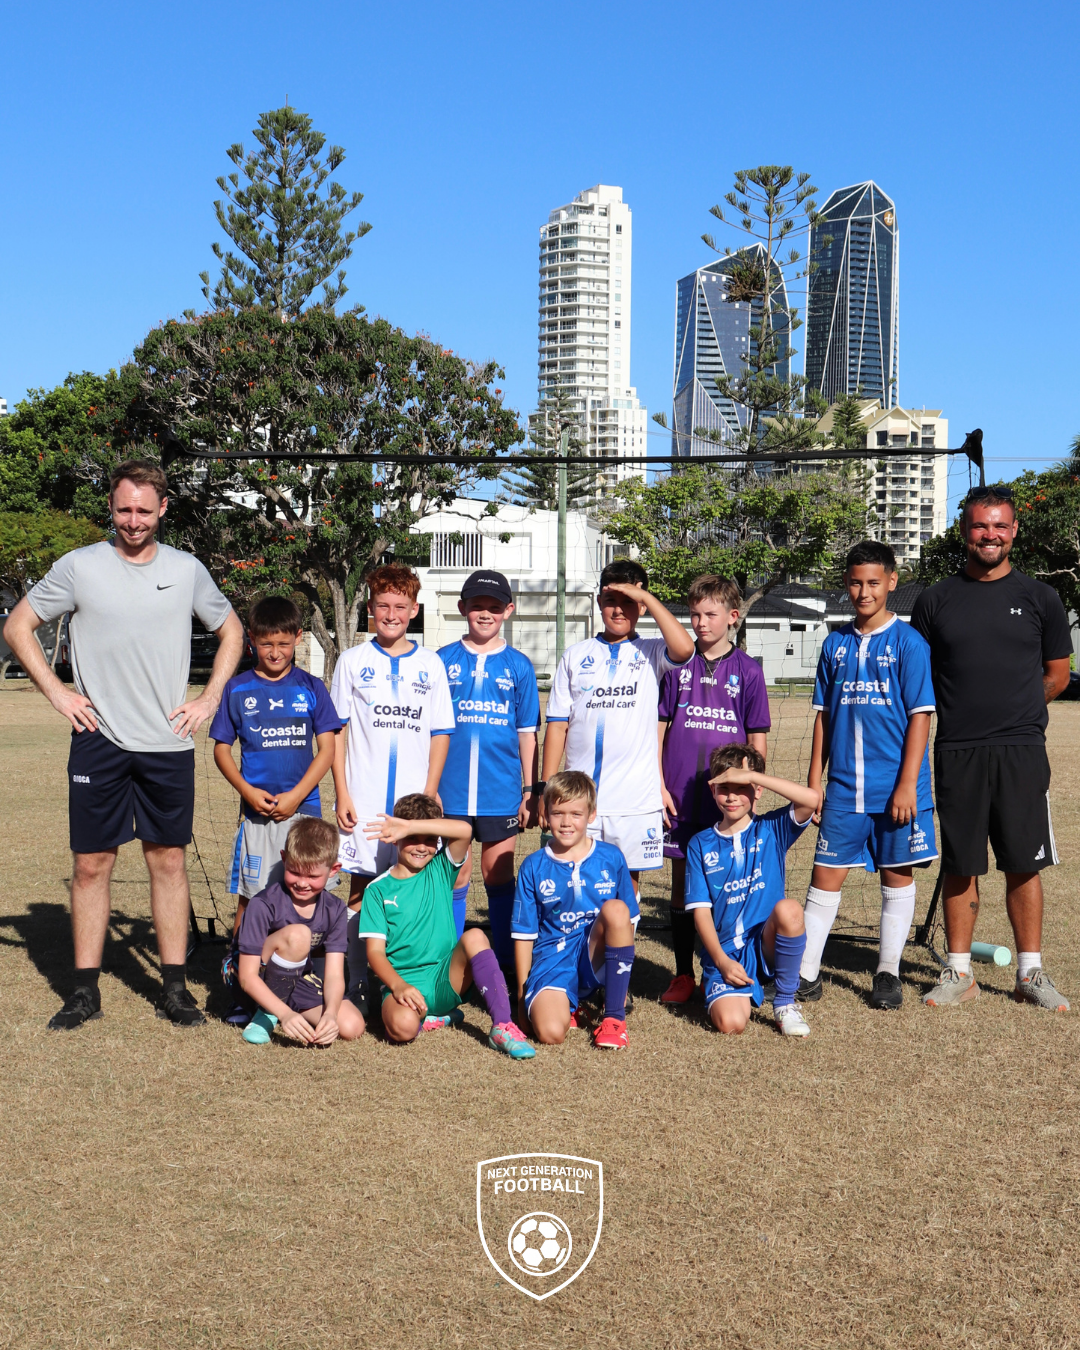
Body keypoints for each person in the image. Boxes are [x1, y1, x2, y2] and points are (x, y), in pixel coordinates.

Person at [3, 459, 244, 1030]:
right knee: (91, 865)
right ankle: (84, 992)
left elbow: (231, 630)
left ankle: (176, 989)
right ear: (110, 508)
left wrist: (208, 700)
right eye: (123, 509)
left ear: (162, 509)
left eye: (144, 509)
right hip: (98, 741)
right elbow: (17, 626)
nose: (133, 520)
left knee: (167, 860)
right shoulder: (79, 567)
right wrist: (59, 693)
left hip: (166, 743)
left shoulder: (186, 570)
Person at [911, 485, 1073, 1010]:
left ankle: (1030, 973)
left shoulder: (1042, 597)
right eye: (981, 526)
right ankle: (960, 972)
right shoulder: (935, 600)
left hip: (1022, 749)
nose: (991, 535)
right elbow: (921, 679)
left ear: (1014, 532)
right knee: (961, 862)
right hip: (958, 748)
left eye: (1000, 525)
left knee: (1024, 862)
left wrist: (1020, 709)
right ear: (964, 531)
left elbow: (1056, 674)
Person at [798, 541, 938, 1010]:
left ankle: (887, 973)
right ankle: (806, 973)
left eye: (873, 582)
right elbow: (823, 718)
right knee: (824, 878)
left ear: (892, 582)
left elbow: (921, 715)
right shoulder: (834, 643)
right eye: (856, 582)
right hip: (843, 790)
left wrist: (905, 785)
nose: (864, 591)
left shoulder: (909, 643)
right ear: (846, 584)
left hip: (898, 789)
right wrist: (813, 783)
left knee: (895, 877)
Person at [209, 595, 341, 1022]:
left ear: (297, 639)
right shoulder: (238, 687)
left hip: (303, 813)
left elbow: (327, 750)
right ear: (252, 641)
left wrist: (297, 795)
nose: (275, 652)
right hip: (257, 816)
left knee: (308, 897)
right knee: (252, 898)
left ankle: (309, 981)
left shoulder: (310, 687)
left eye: (284, 643)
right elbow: (222, 750)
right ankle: (239, 987)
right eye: (266, 643)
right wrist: (248, 791)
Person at [331, 564, 455, 1010]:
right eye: (382, 605)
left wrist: (430, 792)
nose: (391, 613)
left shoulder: (430, 664)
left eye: (400, 606)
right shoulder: (352, 662)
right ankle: (355, 983)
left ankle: (411, 977)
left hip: (412, 806)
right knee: (362, 890)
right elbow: (336, 732)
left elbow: (441, 731)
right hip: (362, 799)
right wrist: (343, 793)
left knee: (413, 888)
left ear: (414, 610)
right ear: (369, 608)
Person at [541, 559, 695, 895]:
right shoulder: (575, 655)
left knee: (625, 886)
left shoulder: (652, 651)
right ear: (598, 602)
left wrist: (645, 597)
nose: (619, 609)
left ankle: (618, 947)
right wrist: (544, 787)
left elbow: (685, 648)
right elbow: (556, 726)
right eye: (611, 600)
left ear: (641, 605)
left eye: (628, 602)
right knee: (573, 881)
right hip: (578, 798)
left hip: (635, 799)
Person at [656, 574, 771, 1005]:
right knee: (683, 880)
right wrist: (658, 782)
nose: (700, 622)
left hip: (729, 797)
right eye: (695, 613)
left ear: (732, 617)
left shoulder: (750, 670)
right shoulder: (676, 664)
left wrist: (755, 783)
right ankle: (684, 973)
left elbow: (757, 735)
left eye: (710, 614)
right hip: (680, 794)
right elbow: (660, 726)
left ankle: (724, 965)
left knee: (730, 880)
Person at [356, 795, 534, 1058]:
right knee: (402, 1029)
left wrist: (412, 827)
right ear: (396, 838)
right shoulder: (377, 890)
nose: (421, 847)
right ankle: (430, 1019)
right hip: (406, 984)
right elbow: (375, 953)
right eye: (412, 838)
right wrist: (398, 986)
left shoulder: (440, 868)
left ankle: (502, 1026)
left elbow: (465, 831)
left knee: (475, 936)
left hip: (446, 978)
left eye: (429, 839)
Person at [437, 569, 541, 960]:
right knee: (455, 875)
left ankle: (501, 961)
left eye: (494, 608)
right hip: (451, 791)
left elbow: (527, 733)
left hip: (501, 790)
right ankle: (446, 960)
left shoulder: (519, 665)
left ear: (508, 611)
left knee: (497, 875)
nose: (485, 614)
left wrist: (530, 791)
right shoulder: (442, 660)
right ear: (463, 608)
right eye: (477, 606)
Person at [684, 744, 819, 1038]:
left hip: (764, 944)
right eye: (724, 787)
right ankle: (721, 983)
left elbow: (812, 798)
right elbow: (701, 912)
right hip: (726, 953)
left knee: (790, 910)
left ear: (756, 790)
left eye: (741, 786)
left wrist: (753, 776)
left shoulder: (772, 829)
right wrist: (720, 960)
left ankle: (784, 1002)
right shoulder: (700, 844)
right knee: (732, 1024)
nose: (731, 796)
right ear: (713, 791)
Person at [512, 771, 639, 1050]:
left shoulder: (611, 857)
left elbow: (627, 923)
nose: (566, 822)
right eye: (557, 813)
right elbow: (523, 935)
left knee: (617, 910)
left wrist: (617, 976)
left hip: (595, 954)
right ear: (546, 814)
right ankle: (567, 1006)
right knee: (549, 1032)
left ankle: (614, 1020)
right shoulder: (533, 866)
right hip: (554, 957)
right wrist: (522, 997)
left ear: (591, 815)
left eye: (575, 814)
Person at [236, 816, 365, 1046]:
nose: (303, 883)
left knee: (352, 1025)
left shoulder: (335, 909)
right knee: (299, 935)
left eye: (313, 876)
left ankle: (282, 1005)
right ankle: (267, 1013)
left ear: (334, 870)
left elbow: (334, 975)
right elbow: (246, 976)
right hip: (247, 975)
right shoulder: (263, 904)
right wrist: (285, 1014)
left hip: (295, 977)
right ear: (284, 859)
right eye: (295, 872)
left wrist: (331, 1015)